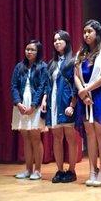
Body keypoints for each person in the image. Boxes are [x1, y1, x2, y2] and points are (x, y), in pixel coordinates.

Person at [75, 20, 101, 187]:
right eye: (84, 32)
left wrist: (86, 89)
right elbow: (76, 75)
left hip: (100, 94)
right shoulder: (80, 53)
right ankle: (92, 170)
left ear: (97, 33)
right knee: (89, 134)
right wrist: (82, 92)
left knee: (100, 133)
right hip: (84, 96)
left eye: (90, 31)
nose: (86, 35)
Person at [42, 30, 79, 183]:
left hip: (66, 102)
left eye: (60, 39)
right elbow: (47, 84)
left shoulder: (73, 60)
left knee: (70, 138)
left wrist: (72, 104)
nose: (57, 42)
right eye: (55, 40)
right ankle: (59, 170)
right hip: (53, 103)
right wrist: (44, 100)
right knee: (57, 137)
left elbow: (77, 84)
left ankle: (71, 170)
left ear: (67, 41)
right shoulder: (51, 63)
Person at [11, 40, 48, 180]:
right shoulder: (19, 67)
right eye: (27, 49)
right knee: (25, 138)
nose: (29, 52)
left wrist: (33, 105)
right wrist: (18, 103)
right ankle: (28, 169)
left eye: (32, 50)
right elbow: (13, 85)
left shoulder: (43, 67)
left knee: (35, 137)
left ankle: (37, 170)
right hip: (21, 104)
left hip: (35, 105)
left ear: (38, 52)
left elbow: (42, 87)